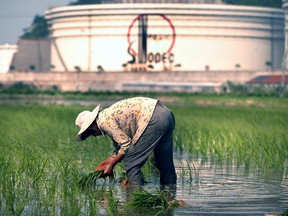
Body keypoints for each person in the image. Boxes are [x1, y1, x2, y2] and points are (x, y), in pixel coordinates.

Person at [75, 97, 177, 188]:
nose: (94, 135)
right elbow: (121, 147)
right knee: (164, 162)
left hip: (153, 118)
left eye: (90, 133)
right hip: (166, 114)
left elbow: (126, 145)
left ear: (92, 126)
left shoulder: (103, 122)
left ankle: (135, 194)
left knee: (131, 162)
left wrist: (112, 164)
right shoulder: (107, 116)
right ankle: (170, 193)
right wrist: (107, 162)